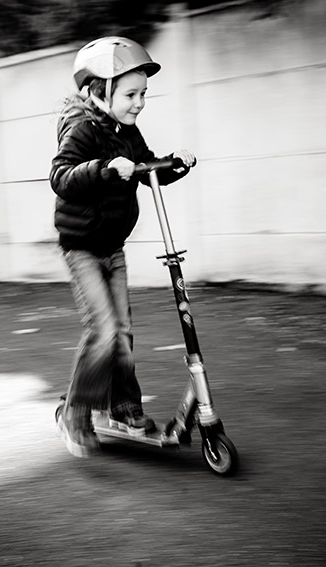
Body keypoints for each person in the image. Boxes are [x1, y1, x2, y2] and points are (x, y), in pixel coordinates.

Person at [50, 36, 196, 458]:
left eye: (143, 94)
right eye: (131, 94)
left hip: (113, 247)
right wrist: (103, 169)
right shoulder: (81, 130)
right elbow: (61, 175)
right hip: (82, 248)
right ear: (100, 91)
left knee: (124, 333)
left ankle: (124, 406)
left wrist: (174, 164)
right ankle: (74, 412)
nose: (139, 103)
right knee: (105, 330)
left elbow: (147, 166)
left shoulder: (129, 133)